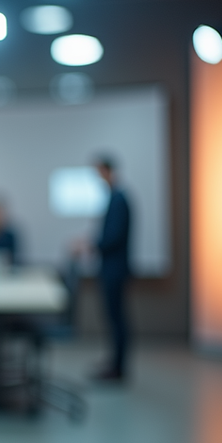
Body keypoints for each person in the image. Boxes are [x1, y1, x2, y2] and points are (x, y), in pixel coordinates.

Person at [91, 156, 132, 382]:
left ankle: (118, 368)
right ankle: (114, 363)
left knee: (117, 319)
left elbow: (113, 238)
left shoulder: (118, 199)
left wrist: (91, 244)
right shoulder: (115, 198)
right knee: (113, 318)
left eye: (98, 172)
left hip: (114, 270)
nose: (97, 177)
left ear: (107, 171)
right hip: (111, 268)